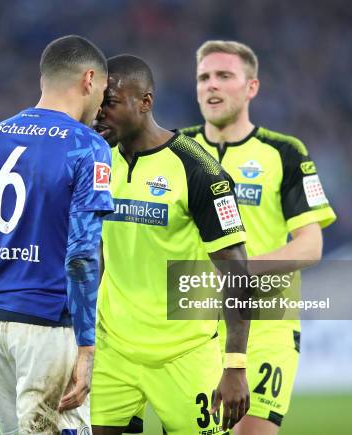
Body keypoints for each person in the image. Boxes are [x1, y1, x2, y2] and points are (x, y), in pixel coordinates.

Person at [0, 35, 114, 435]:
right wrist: (86, 345)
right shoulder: (87, 146)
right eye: (104, 91)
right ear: (89, 79)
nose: (101, 105)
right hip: (46, 324)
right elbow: (82, 253)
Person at [180, 40, 337, 435]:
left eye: (224, 76)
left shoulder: (285, 153)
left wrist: (240, 272)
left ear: (251, 87)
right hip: (189, 329)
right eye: (204, 77)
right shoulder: (174, 150)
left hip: (267, 326)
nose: (211, 85)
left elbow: (310, 244)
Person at [91, 54, 251, 435]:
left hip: (185, 354)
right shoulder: (96, 161)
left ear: (145, 102)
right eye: (97, 103)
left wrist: (235, 365)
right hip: (113, 351)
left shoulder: (200, 171)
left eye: (110, 104)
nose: (99, 114)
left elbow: (238, 273)